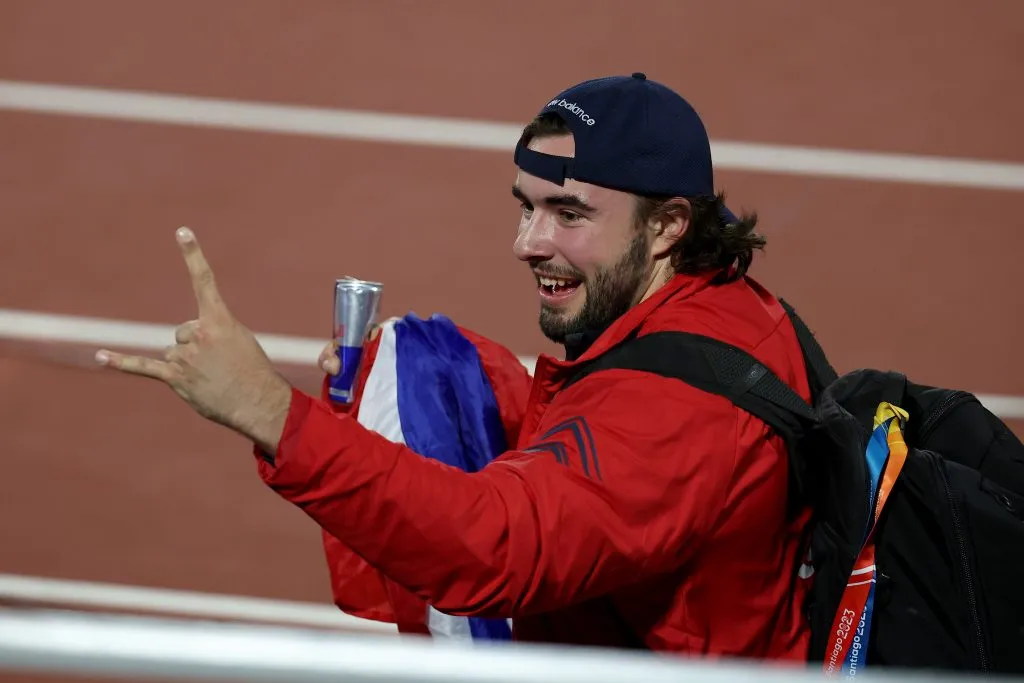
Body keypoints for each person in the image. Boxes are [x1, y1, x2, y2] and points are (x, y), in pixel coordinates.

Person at [95, 72, 816, 660]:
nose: (528, 242)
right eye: (525, 208)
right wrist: (442, 375)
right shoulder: (729, 307)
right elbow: (595, 437)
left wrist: (273, 414)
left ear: (666, 225)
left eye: (569, 214)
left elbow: (495, 549)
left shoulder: (675, 412)